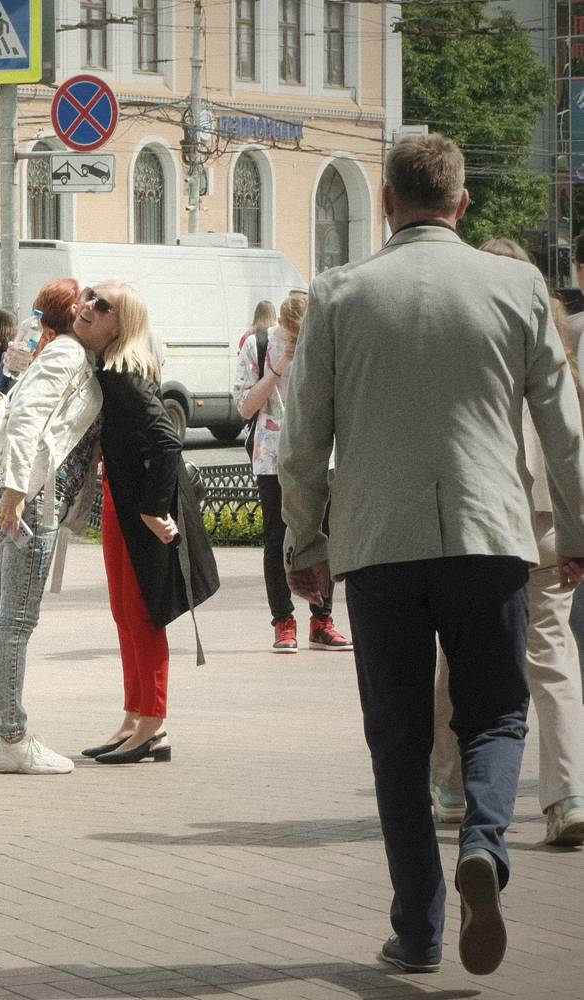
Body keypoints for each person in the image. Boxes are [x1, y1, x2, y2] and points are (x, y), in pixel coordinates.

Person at [279, 133, 584, 977]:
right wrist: (577, 535)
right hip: (491, 539)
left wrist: (304, 542)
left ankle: (417, 930)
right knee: (498, 713)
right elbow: (564, 430)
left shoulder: (338, 294)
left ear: (386, 203)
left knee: (398, 738)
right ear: (462, 203)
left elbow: (302, 440)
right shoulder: (516, 287)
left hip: (379, 547)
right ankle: (483, 843)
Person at [428, 237, 584, 847]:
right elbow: (569, 446)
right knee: (552, 657)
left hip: (481, 520)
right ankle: (567, 796)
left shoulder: (465, 341)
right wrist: (576, 533)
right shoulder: (557, 347)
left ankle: (450, 788)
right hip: (545, 522)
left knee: (457, 653)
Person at [78, 282, 218, 766]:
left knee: (141, 614)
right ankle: (135, 717)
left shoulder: (125, 373)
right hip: (123, 501)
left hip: (141, 509)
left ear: (122, 323)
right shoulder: (108, 366)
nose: (89, 306)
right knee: (123, 611)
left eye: (102, 305)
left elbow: (166, 440)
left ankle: (153, 725)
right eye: (89, 295)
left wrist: (154, 509)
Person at [0, 280, 101, 775]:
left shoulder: (56, 350)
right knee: (16, 622)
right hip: (34, 500)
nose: (91, 307)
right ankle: (12, 737)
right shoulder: (66, 353)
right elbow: (26, 418)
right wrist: (17, 490)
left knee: (1, 618)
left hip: (25, 496)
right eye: (86, 301)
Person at [231, 295, 352, 653]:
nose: (300, 342)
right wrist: (279, 367)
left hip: (320, 456)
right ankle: (283, 621)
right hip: (272, 456)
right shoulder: (258, 345)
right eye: (295, 336)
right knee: (276, 538)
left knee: (323, 534)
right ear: (283, 326)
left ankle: (322, 620)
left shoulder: (322, 341)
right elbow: (245, 408)